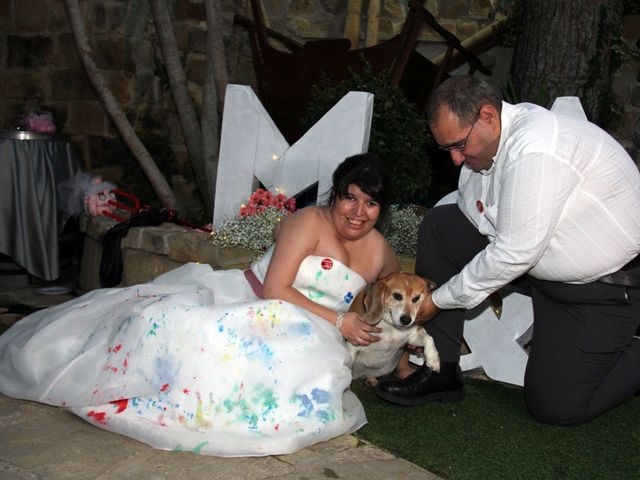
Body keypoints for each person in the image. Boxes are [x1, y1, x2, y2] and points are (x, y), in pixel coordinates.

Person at [0, 153, 400, 456]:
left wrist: (397, 349)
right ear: (335, 194)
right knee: (175, 328)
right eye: (349, 198)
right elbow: (275, 287)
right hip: (255, 302)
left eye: (370, 204)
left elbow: (399, 296)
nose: (358, 212)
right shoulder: (309, 223)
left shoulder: (381, 252)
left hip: (315, 335)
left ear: (382, 209)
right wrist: (339, 320)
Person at [375, 76, 640, 426]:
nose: (455, 159)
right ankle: (441, 370)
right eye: (446, 149)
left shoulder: (536, 149)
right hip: (539, 271)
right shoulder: (486, 148)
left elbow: (514, 253)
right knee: (441, 226)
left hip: (599, 290)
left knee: (556, 407)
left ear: (487, 116)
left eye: (459, 144)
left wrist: (437, 301)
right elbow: (475, 211)